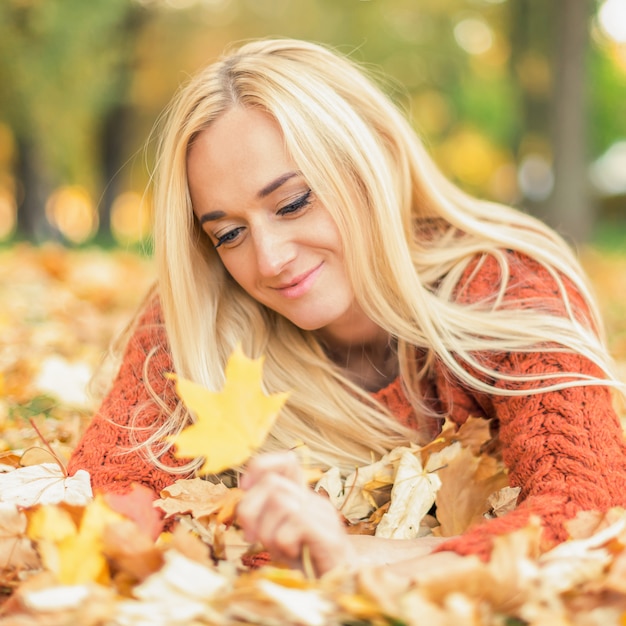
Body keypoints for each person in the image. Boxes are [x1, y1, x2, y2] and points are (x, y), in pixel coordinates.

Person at [68, 37, 626, 576]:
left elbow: (590, 514)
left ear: (371, 162)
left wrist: (350, 562)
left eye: (292, 203)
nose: (269, 259)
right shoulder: (201, 305)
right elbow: (101, 507)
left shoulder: (506, 286)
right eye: (230, 233)